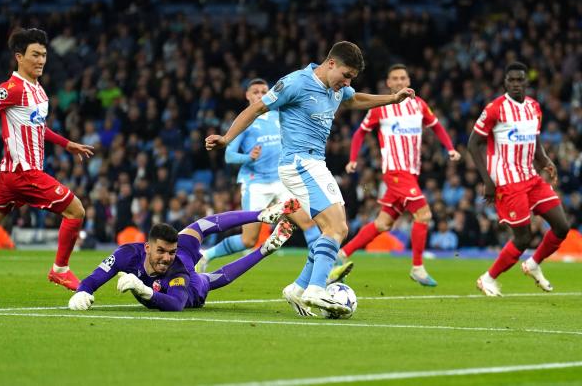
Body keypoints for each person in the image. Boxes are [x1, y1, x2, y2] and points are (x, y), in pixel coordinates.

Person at [206, 41, 413, 316]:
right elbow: (256, 109)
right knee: (335, 228)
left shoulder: (337, 89)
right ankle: (316, 289)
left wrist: (392, 98)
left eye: (352, 77)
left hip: (316, 163)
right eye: (346, 75)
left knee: (337, 228)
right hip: (297, 163)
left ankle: (299, 288)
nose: (347, 82)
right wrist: (227, 138)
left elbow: (354, 99)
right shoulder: (295, 83)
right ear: (330, 64)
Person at [0, 28, 94, 290]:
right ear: (19, 57)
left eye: (44, 55)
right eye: (35, 55)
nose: (41, 60)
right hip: (25, 173)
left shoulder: (39, 91)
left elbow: (38, 128)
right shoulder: (13, 88)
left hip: (12, 176)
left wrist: (66, 144)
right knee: (76, 210)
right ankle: (60, 269)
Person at [329, 64, 460, 287]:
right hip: (395, 172)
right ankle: (417, 267)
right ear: (389, 84)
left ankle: (341, 255)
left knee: (382, 223)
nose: (400, 82)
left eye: (403, 78)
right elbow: (360, 132)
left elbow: (436, 126)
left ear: (408, 81)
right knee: (424, 215)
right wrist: (352, 159)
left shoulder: (419, 105)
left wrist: (450, 148)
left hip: (411, 173)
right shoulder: (381, 107)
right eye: (395, 79)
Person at [68, 200, 300, 311]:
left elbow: (176, 304)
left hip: (189, 288)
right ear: (147, 248)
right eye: (161, 251)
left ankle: (264, 240)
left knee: (209, 280)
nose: (166, 257)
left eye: (171, 251)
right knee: (197, 229)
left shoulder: (176, 269)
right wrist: (82, 292)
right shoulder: (127, 254)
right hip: (175, 265)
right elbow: (95, 277)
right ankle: (262, 221)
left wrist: (142, 289)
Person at [196, 78, 320, 272]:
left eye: (264, 91)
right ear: (247, 95)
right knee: (248, 240)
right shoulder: (245, 121)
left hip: (281, 181)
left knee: (307, 222)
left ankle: (324, 267)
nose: (261, 95)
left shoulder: (278, 116)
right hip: (256, 184)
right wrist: (249, 157)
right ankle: (207, 255)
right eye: (256, 92)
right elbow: (229, 156)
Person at [468, 61, 570, 296]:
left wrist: (545, 160)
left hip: (531, 177)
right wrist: (488, 180)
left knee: (562, 227)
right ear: (505, 82)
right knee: (523, 237)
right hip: (507, 181)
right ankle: (488, 278)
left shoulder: (534, 107)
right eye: (511, 80)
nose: (515, 84)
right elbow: (473, 144)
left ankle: (533, 264)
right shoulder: (495, 108)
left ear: (526, 81)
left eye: (519, 80)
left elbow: (535, 141)